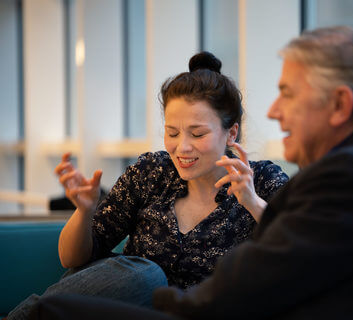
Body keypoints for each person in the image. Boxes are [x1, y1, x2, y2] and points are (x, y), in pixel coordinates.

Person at [27, 26, 353, 320]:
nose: (273, 111)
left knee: (65, 309)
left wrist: (152, 302)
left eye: (287, 95)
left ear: (340, 105)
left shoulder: (347, 177)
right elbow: (292, 261)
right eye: (172, 132)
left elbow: (248, 285)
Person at [7, 52, 288, 320]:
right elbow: (72, 259)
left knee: (148, 276)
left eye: (197, 133)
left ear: (231, 132)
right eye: (172, 133)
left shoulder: (261, 180)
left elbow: (300, 249)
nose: (183, 147)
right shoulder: (151, 172)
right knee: (142, 275)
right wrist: (84, 211)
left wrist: (252, 202)